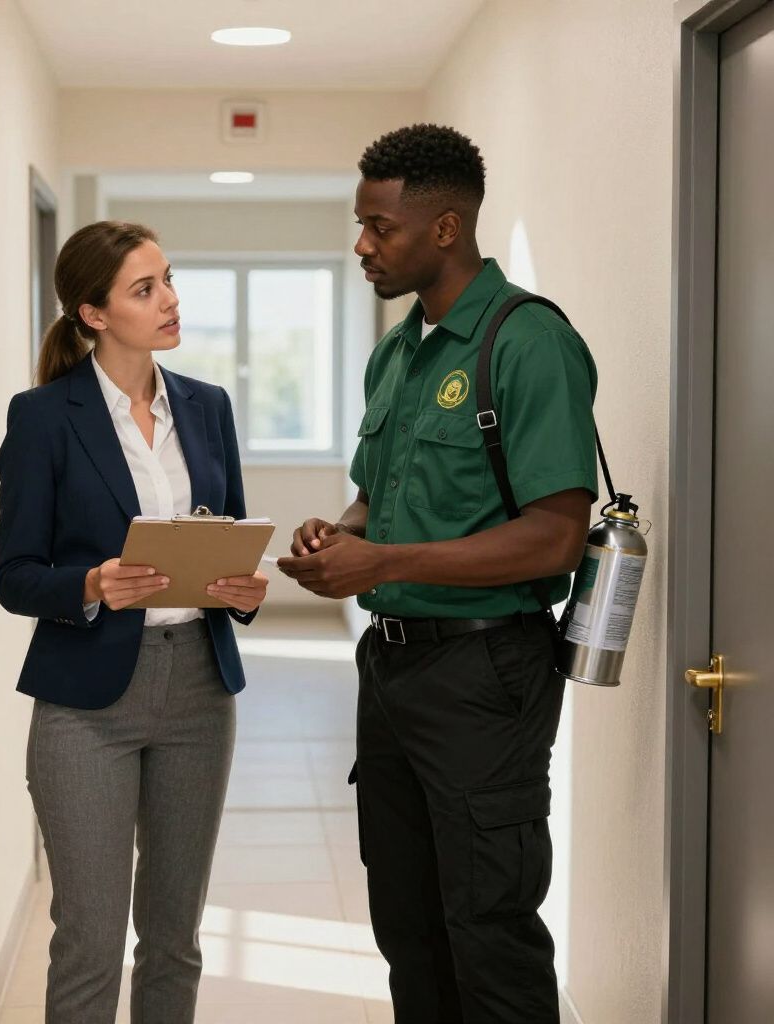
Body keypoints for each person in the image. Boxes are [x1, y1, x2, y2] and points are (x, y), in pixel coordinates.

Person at [279, 124, 598, 1023]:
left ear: (447, 227)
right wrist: (336, 536)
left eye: (380, 227)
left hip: (485, 673)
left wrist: (383, 559)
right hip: (389, 672)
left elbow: (553, 540)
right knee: (407, 923)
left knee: (488, 926)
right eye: (361, 224)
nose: (363, 245)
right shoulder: (396, 353)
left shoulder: (527, 344)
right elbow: (373, 500)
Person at [0, 221, 268, 1024]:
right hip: (85, 705)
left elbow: (233, 536)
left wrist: (241, 593)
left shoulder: (208, 408)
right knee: (89, 937)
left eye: (169, 280)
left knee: (175, 937)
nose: (171, 300)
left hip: (198, 690)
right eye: (144, 290)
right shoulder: (45, 416)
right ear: (93, 313)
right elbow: (15, 576)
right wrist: (91, 583)